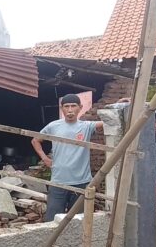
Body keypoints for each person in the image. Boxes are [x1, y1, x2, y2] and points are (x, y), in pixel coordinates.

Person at [31, 94, 103, 222]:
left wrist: (121, 104)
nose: (70, 110)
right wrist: (45, 158)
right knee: (51, 221)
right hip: (58, 182)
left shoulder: (86, 126)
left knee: (78, 221)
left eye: (73, 106)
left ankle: (74, 243)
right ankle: (54, 243)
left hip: (81, 183)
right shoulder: (53, 126)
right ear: (61, 108)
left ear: (80, 108)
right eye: (66, 106)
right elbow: (35, 140)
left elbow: (108, 122)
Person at [115, 98, 156, 201]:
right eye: (153, 122)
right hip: (136, 178)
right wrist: (124, 103)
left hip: (154, 179)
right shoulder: (138, 134)